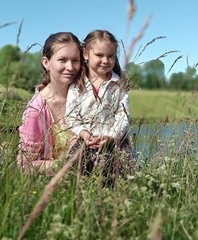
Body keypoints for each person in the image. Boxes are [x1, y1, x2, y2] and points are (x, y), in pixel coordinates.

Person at [65, 30, 139, 184]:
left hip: (115, 140)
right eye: (99, 55)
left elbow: (123, 115)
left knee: (129, 175)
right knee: (73, 173)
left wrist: (112, 136)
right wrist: (84, 134)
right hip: (85, 140)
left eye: (111, 56)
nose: (106, 60)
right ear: (85, 54)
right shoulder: (76, 85)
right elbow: (71, 116)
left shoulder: (118, 84)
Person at [17, 32, 85, 175]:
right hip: (54, 190)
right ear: (46, 62)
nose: (70, 67)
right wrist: (68, 161)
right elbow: (26, 166)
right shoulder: (36, 110)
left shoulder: (86, 98)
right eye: (62, 60)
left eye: (75, 60)